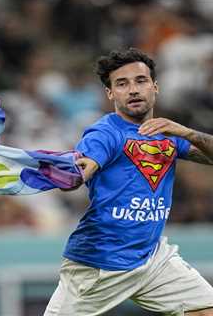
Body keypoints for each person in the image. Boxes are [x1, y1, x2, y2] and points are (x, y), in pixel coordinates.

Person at [43, 48, 213, 316]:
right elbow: (88, 161)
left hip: (153, 258)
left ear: (155, 87)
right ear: (110, 93)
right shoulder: (105, 132)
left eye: (140, 81)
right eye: (122, 84)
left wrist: (187, 132)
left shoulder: (167, 133)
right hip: (98, 264)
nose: (133, 89)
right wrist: (80, 171)